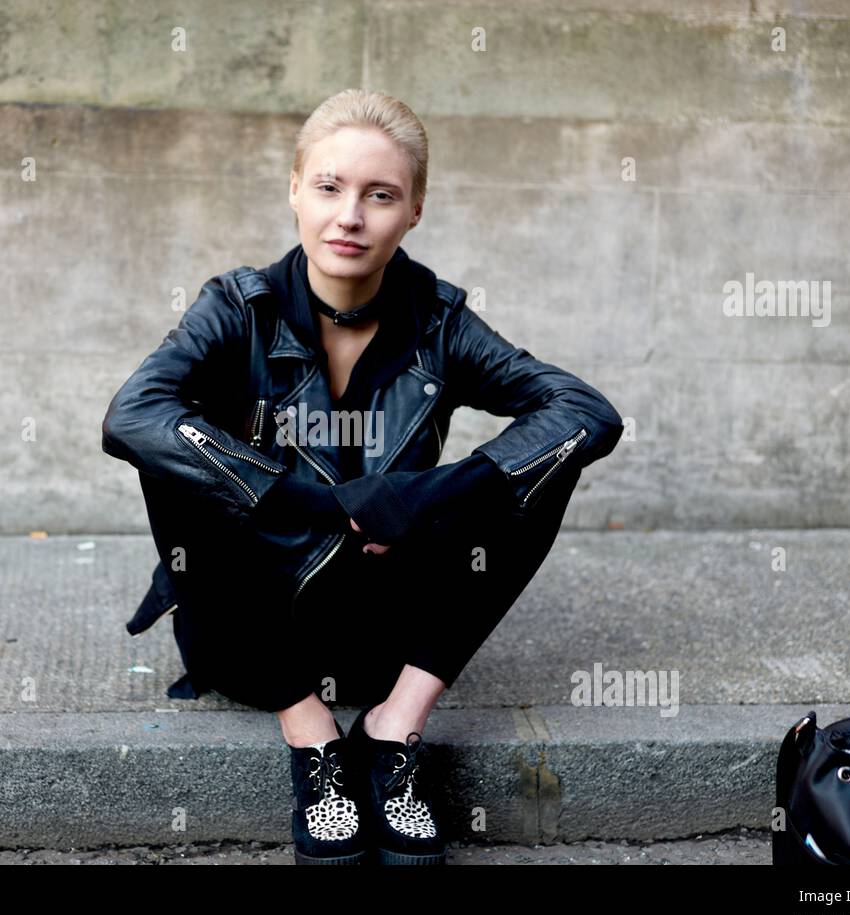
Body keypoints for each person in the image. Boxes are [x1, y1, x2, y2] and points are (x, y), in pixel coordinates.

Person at [102, 89, 624, 865]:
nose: (350, 216)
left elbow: (585, 410)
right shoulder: (236, 308)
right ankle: (312, 738)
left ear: (413, 210)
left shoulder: (439, 322)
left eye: (380, 195)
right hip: (251, 625)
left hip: (388, 625)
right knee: (175, 457)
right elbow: (130, 416)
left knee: (539, 464)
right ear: (294, 191)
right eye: (329, 188)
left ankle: (392, 729)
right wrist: (312, 504)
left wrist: (425, 497)